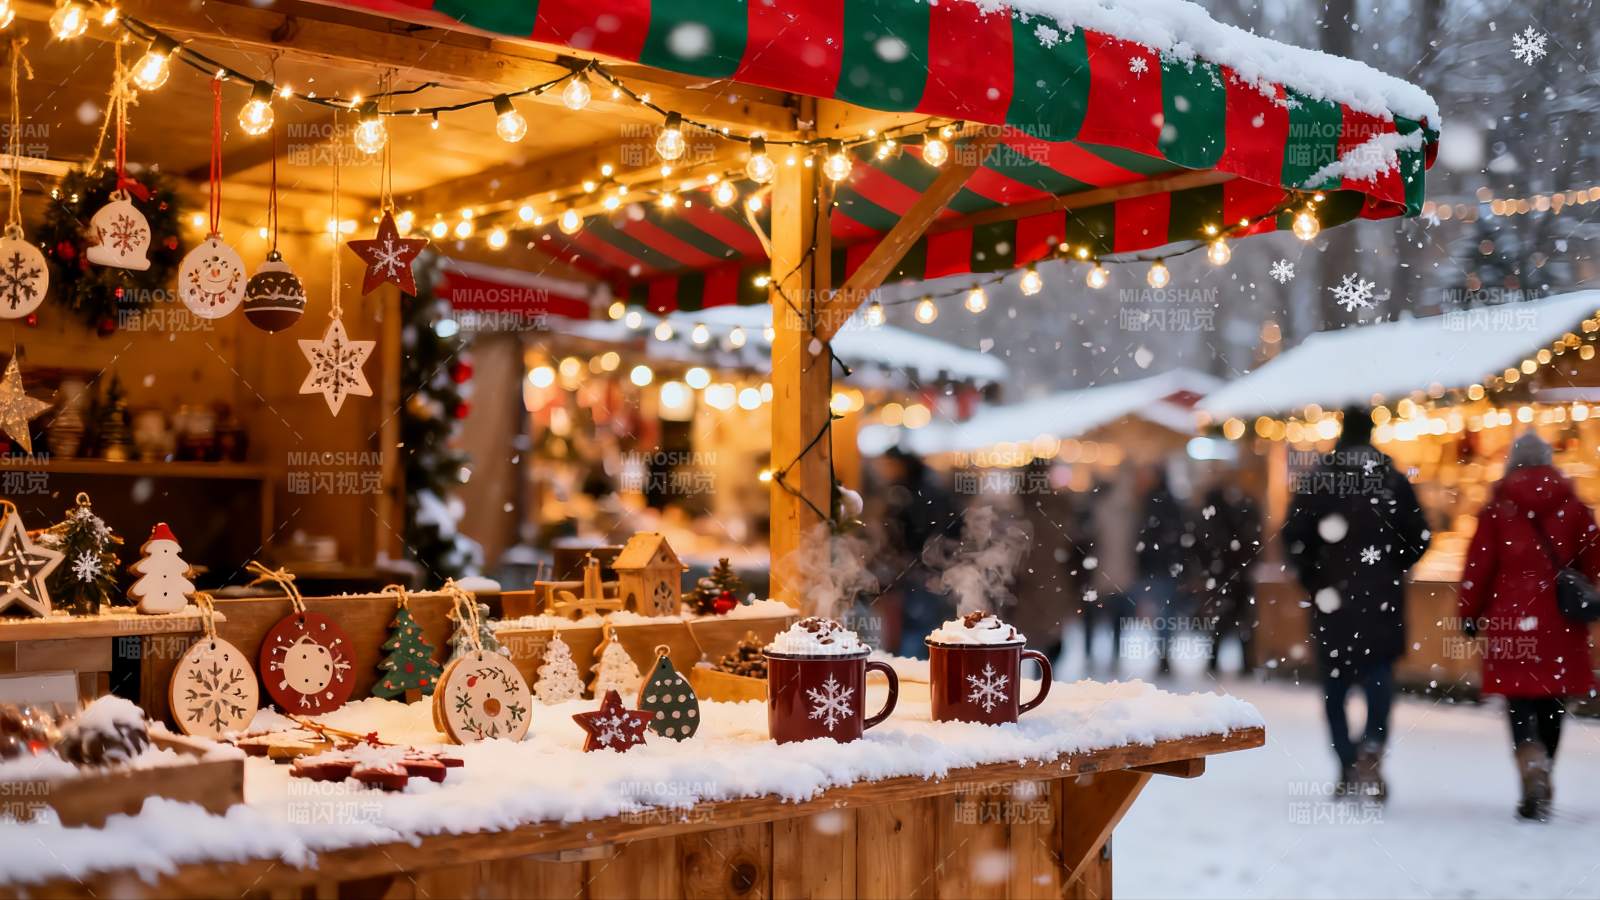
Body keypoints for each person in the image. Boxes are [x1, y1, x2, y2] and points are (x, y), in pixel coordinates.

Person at [1283, 406, 1430, 801]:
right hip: (1381, 600)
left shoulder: (1318, 481)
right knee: (1378, 680)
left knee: (1335, 687)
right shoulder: (1393, 480)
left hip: (1332, 601)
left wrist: (1315, 579)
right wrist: (1391, 568)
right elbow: (1420, 536)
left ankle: (1347, 762)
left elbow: (1293, 539)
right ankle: (1371, 750)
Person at [1458, 432, 1599, 821]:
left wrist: (1469, 613)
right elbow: (1595, 564)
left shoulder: (1498, 510)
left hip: (1510, 620)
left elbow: (1479, 566)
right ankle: (1545, 764)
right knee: (1553, 701)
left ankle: (1529, 758)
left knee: (1519, 699)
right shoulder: (1574, 507)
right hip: (1560, 622)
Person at [877, 447, 961, 658]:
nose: (884, 470)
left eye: (888, 465)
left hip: (921, 571)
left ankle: (914, 674)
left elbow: (922, 531)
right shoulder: (924, 486)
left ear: (900, 464)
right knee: (924, 627)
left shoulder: (914, 492)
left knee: (917, 629)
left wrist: (911, 559)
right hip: (929, 571)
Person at [1193, 477, 1263, 675]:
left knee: (1224, 620)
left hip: (1223, 575)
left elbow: (1202, 546)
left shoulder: (1214, 517)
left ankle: (1218, 661)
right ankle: (1243, 662)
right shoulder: (1242, 512)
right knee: (1239, 620)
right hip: (1234, 574)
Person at [1133, 466, 1191, 675]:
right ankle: (1164, 653)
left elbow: (1145, 535)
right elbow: (1180, 538)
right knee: (1165, 614)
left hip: (1155, 566)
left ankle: (1163, 654)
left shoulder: (1149, 502)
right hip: (1168, 567)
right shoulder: (1172, 503)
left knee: (1159, 613)